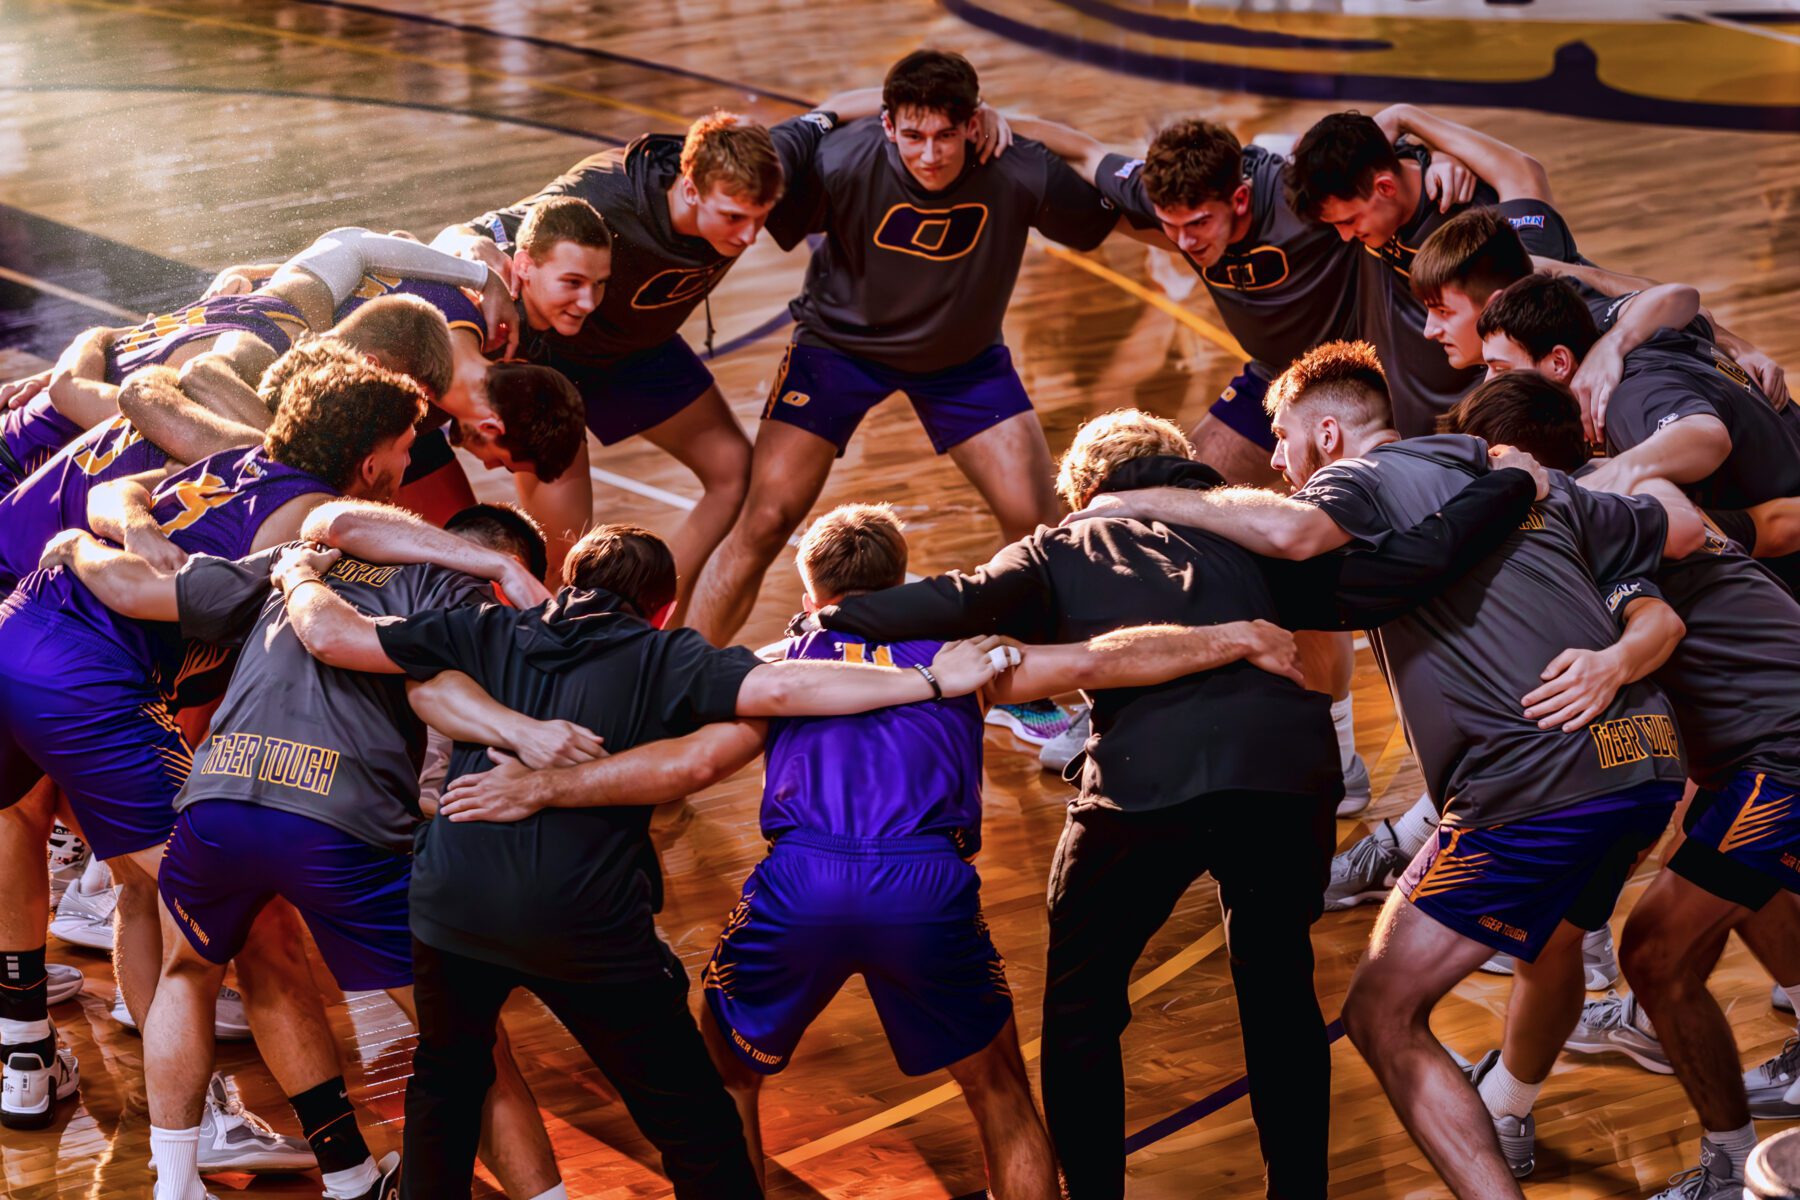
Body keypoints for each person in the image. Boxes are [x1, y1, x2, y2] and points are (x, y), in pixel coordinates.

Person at [794, 406, 1548, 1198]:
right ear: (1185, 472)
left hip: (1141, 788)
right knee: (1280, 991)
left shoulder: (1061, 545)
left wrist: (831, 619)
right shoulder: (1256, 536)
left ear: (1086, 489)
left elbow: (949, 600)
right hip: (1286, 779)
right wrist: (1507, 484)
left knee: (1084, 1005)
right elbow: (1410, 565)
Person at [1067, 342, 1703, 1195]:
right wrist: (1625, 653)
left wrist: (1135, 499)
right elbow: (1687, 528)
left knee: (1380, 1012)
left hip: (1533, 779)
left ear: (1327, 434)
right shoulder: (1505, 467)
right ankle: (1513, 1106)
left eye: (1285, 447)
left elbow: (1293, 533)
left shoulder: (1361, 481)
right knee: (1550, 945)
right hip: (1646, 761)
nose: (1282, 469)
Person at [270, 518, 1018, 1198]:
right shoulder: (669, 656)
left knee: (446, 1080)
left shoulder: (486, 628)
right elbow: (786, 687)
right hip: (583, 921)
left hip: (451, 902)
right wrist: (926, 680)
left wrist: (297, 576)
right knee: (693, 1123)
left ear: (571, 580)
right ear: (662, 606)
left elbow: (335, 636)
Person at [0, 346, 543, 1165]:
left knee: (132, 885)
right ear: (370, 457)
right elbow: (146, 592)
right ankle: (260, 1146)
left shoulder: (238, 460)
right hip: (84, 675)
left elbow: (118, 487)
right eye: (408, 447)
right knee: (245, 918)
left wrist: (102, 533)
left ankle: (28, 1045)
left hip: (20, 626)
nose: (412, 462)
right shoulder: (309, 518)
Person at [38, 503, 574, 1200]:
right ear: (501, 565)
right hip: (336, 820)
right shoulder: (459, 597)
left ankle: (176, 1187)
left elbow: (330, 520)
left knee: (185, 973)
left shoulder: (299, 554)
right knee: (471, 1043)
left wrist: (77, 542)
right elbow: (433, 693)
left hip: (217, 795)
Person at [1441, 370, 1800, 1199]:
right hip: (1759, 756)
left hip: (1781, 755)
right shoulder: (1611, 501)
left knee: (1656, 955)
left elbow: (1664, 608)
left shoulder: (1589, 514)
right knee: (1743, 892)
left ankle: (1725, 1171)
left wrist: (1609, 664)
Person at [681, 50, 1119, 648]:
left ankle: (1030, 679)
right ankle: (682, 681)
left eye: (946, 134)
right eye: (913, 135)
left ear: (973, 124)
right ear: (887, 126)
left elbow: (1121, 212)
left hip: (961, 360)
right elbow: (807, 131)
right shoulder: (841, 160)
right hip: (837, 348)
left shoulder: (1015, 165)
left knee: (1037, 523)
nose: (930, 154)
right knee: (764, 518)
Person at [434, 97, 885, 604]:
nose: (749, 235)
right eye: (734, 218)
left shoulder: (755, 166)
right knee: (563, 557)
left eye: (759, 218)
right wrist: (477, 264)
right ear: (691, 189)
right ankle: (562, 648)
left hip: (634, 350)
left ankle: (651, 615)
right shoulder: (607, 194)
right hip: (550, 360)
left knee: (734, 472)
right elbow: (467, 233)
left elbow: (838, 109)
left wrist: (969, 112)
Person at [182, 203, 604, 560]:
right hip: (227, 360)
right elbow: (360, 249)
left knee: (444, 547)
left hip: (263, 337)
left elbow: (382, 247)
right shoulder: (380, 377)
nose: (491, 467)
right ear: (492, 427)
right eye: (503, 461)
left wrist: (260, 274)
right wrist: (253, 281)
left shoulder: (480, 317)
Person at [1477, 272, 1800, 591]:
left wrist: (1609, 477)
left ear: (1559, 362)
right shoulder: (1629, 333)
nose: (1488, 383)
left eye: (1500, 369)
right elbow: (1690, 306)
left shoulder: (1624, 399)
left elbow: (1706, 434)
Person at [1283, 108, 1574, 436]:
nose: (1345, 236)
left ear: (1386, 188)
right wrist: (1423, 144)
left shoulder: (1475, 220)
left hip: (1475, 433)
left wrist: (1405, 116)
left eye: (1349, 221)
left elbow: (1526, 176)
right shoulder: (1386, 185)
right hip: (1407, 432)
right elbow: (1342, 144)